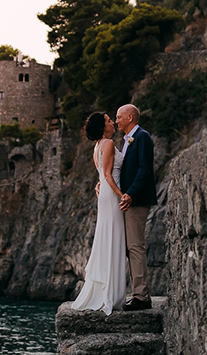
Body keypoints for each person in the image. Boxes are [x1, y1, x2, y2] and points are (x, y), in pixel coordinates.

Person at [70, 111, 127, 315]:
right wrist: (122, 195)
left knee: (107, 238)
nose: (113, 123)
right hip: (111, 195)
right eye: (109, 121)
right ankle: (111, 293)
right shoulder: (109, 144)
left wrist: (103, 186)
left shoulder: (97, 147)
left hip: (104, 194)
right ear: (103, 127)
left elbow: (102, 176)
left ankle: (107, 290)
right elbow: (107, 175)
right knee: (113, 239)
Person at [116, 104, 157, 311]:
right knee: (130, 247)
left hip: (137, 201)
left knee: (135, 246)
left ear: (130, 117)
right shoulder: (128, 140)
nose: (116, 121)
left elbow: (144, 170)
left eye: (119, 117)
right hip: (129, 200)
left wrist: (130, 194)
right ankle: (138, 293)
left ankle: (141, 296)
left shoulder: (142, 137)